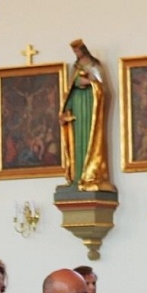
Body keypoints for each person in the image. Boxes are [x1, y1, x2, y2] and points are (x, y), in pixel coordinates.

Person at [59, 39, 113, 193]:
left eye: (78, 51)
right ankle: (77, 177)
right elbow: (68, 90)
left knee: (90, 138)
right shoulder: (75, 67)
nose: (77, 54)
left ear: (84, 50)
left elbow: (102, 88)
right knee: (76, 141)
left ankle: (90, 175)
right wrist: (65, 110)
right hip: (76, 105)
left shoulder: (95, 65)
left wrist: (90, 83)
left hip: (90, 105)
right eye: (74, 52)